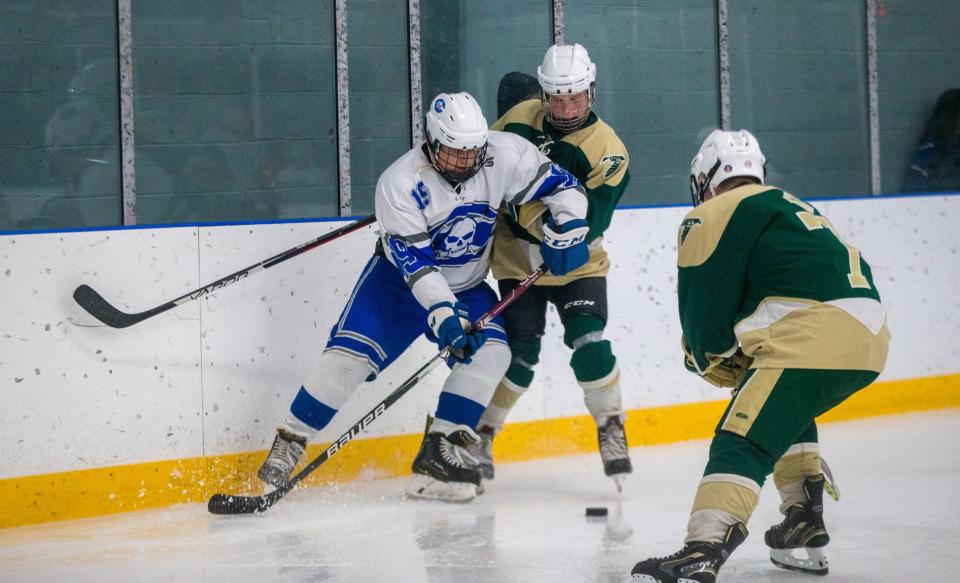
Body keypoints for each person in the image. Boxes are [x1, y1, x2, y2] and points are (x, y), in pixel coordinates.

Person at [256, 92, 590, 503]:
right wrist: (444, 316)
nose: (466, 162)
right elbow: (418, 267)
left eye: (473, 152)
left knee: (493, 354)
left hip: (466, 286)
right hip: (396, 286)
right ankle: (291, 439)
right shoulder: (400, 183)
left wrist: (570, 225)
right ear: (431, 143)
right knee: (347, 361)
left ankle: (441, 447)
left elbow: (566, 187)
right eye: (454, 153)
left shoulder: (504, 154)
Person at [629, 129, 889, 582]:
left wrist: (704, 359)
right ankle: (803, 520)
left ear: (705, 179)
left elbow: (703, 322)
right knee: (783, 406)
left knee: (741, 434)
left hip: (815, 335)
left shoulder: (712, 212)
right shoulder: (790, 205)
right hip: (870, 338)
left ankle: (703, 548)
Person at [467, 43, 634, 487]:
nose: (565, 108)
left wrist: (565, 229)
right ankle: (481, 434)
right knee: (520, 356)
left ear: (591, 92)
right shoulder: (518, 119)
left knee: (589, 339)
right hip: (517, 262)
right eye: (556, 98)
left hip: (579, 265)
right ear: (543, 93)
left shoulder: (608, 149)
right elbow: (486, 167)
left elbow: (595, 216)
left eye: (574, 97)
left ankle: (611, 425)